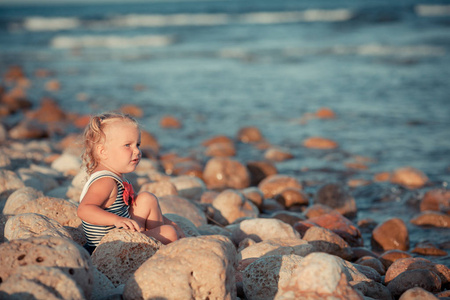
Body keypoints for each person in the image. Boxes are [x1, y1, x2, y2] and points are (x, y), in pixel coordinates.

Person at [77, 112, 182, 254]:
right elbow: (84, 210)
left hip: (120, 235)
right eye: (127, 145)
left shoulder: (115, 176)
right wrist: (116, 220)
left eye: (137, 144)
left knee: (147, 199)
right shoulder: (105, 181)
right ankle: (159, 251)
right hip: (109, 246)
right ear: (103, 152)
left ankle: (155, 240)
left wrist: (170, 222)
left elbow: (131, 205)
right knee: (169, 233)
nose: (137, 151)